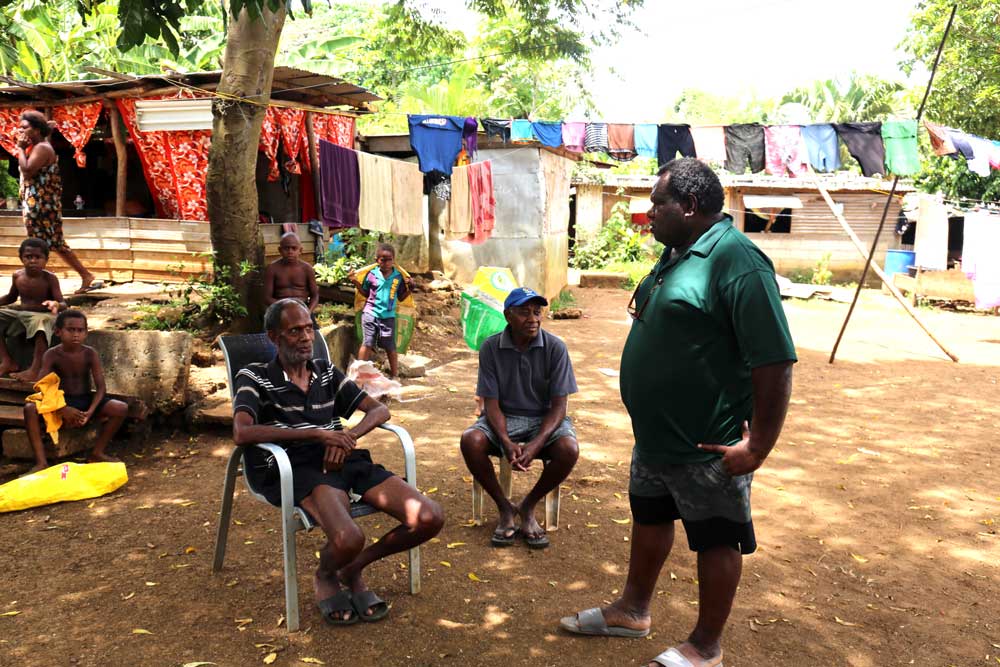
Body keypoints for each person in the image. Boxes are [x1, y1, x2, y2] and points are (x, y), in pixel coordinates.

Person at [560, 158, 796, 667]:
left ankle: (705, 645)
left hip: (706, 443)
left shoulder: (739, 262)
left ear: (688, 206)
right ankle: (632, 610)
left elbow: (774, 360)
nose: (648, 214)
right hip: (656, 438)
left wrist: (758, 446)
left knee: (715, 538)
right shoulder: (676, 253)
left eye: (656, 203)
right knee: (649, 517)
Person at [232, 298, 444, 625]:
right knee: (349, 538)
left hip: (344, 457)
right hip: (298, 466)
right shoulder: (255, 376)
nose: (305, 337)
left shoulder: (326, 371)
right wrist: (317, 434)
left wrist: (350, 436)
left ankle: (352, 567)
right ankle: (326, 574)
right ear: (274, 338)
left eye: (308, 329)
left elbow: (379, 410)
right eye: (294, 331)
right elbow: (242, 432)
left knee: (429, 517)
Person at [460, 287, 579, 549]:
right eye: (524, 313)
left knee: (568, 449)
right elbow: (490, 403)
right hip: (504, 418)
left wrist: (537, 442)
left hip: (543, 420)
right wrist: (504, 440)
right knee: (471, 440)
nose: (533, 319)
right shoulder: (491, 347)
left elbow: (560, 406)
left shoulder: (555, 348)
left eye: (537, 312)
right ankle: (504, 507)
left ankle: (527, 506)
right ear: (508, 316)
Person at [22, 309, 128, 473]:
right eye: (71, 330)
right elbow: (42, 385)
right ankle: (41, 462)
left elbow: (101, 389)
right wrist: (62, 409)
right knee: (29, 408)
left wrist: (89, 412)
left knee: (120, 407)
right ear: (58, 332)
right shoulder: (52, 354)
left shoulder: (89, 353)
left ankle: (97, 453)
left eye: (80, 330)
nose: (76, 335)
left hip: (86, 400)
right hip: (62, 401)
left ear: (86, 333)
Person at [15, 110, 98, 294]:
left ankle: (42, 285)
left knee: (38, 244)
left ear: (36, 130)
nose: (20, 131)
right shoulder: (40, 143)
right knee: (56, 243)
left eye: (25, 128)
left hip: (40, 205)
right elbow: (49, 126)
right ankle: (85, 275)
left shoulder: (42, 148)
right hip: (39, 203)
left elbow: (27, 170)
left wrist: (20, 148)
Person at [0, 238, 67, 381]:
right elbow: (11, 297)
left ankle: (35, 370)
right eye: (28, 257)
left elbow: (63, 303)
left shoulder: (50, 278)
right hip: (22, 314)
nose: (33, 261)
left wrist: (55, 304)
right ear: (21, 258)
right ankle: (7, 361)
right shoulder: (18, 276)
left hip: (44, 315)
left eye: (38, 257)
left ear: (46, 260)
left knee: (41, 323)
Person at [348, 243, 414, 379]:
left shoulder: (398, 277)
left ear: (394, 260)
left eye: (389, 259)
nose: (386, 262)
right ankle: (359, 374)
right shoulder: (371, 275)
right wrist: (355, 282)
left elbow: (401, 297)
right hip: (370, 314)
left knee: (390, 346)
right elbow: (366, 293)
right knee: (367, 343)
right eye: (382, 259)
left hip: (388, 316)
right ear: (376, 260)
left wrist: (410, 289)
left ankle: (394, 375)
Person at [263, 232, 319, 319]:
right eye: (286, 248)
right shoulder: (272, 268)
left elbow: (315, 295)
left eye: (294, 248)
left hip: (303, 309)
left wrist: (308, 312)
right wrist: (285, 307)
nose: (290, 252)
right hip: (279, 310)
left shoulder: (307, 269)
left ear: (300, 250)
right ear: (280, 250)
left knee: (313, 332)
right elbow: (266, 298)